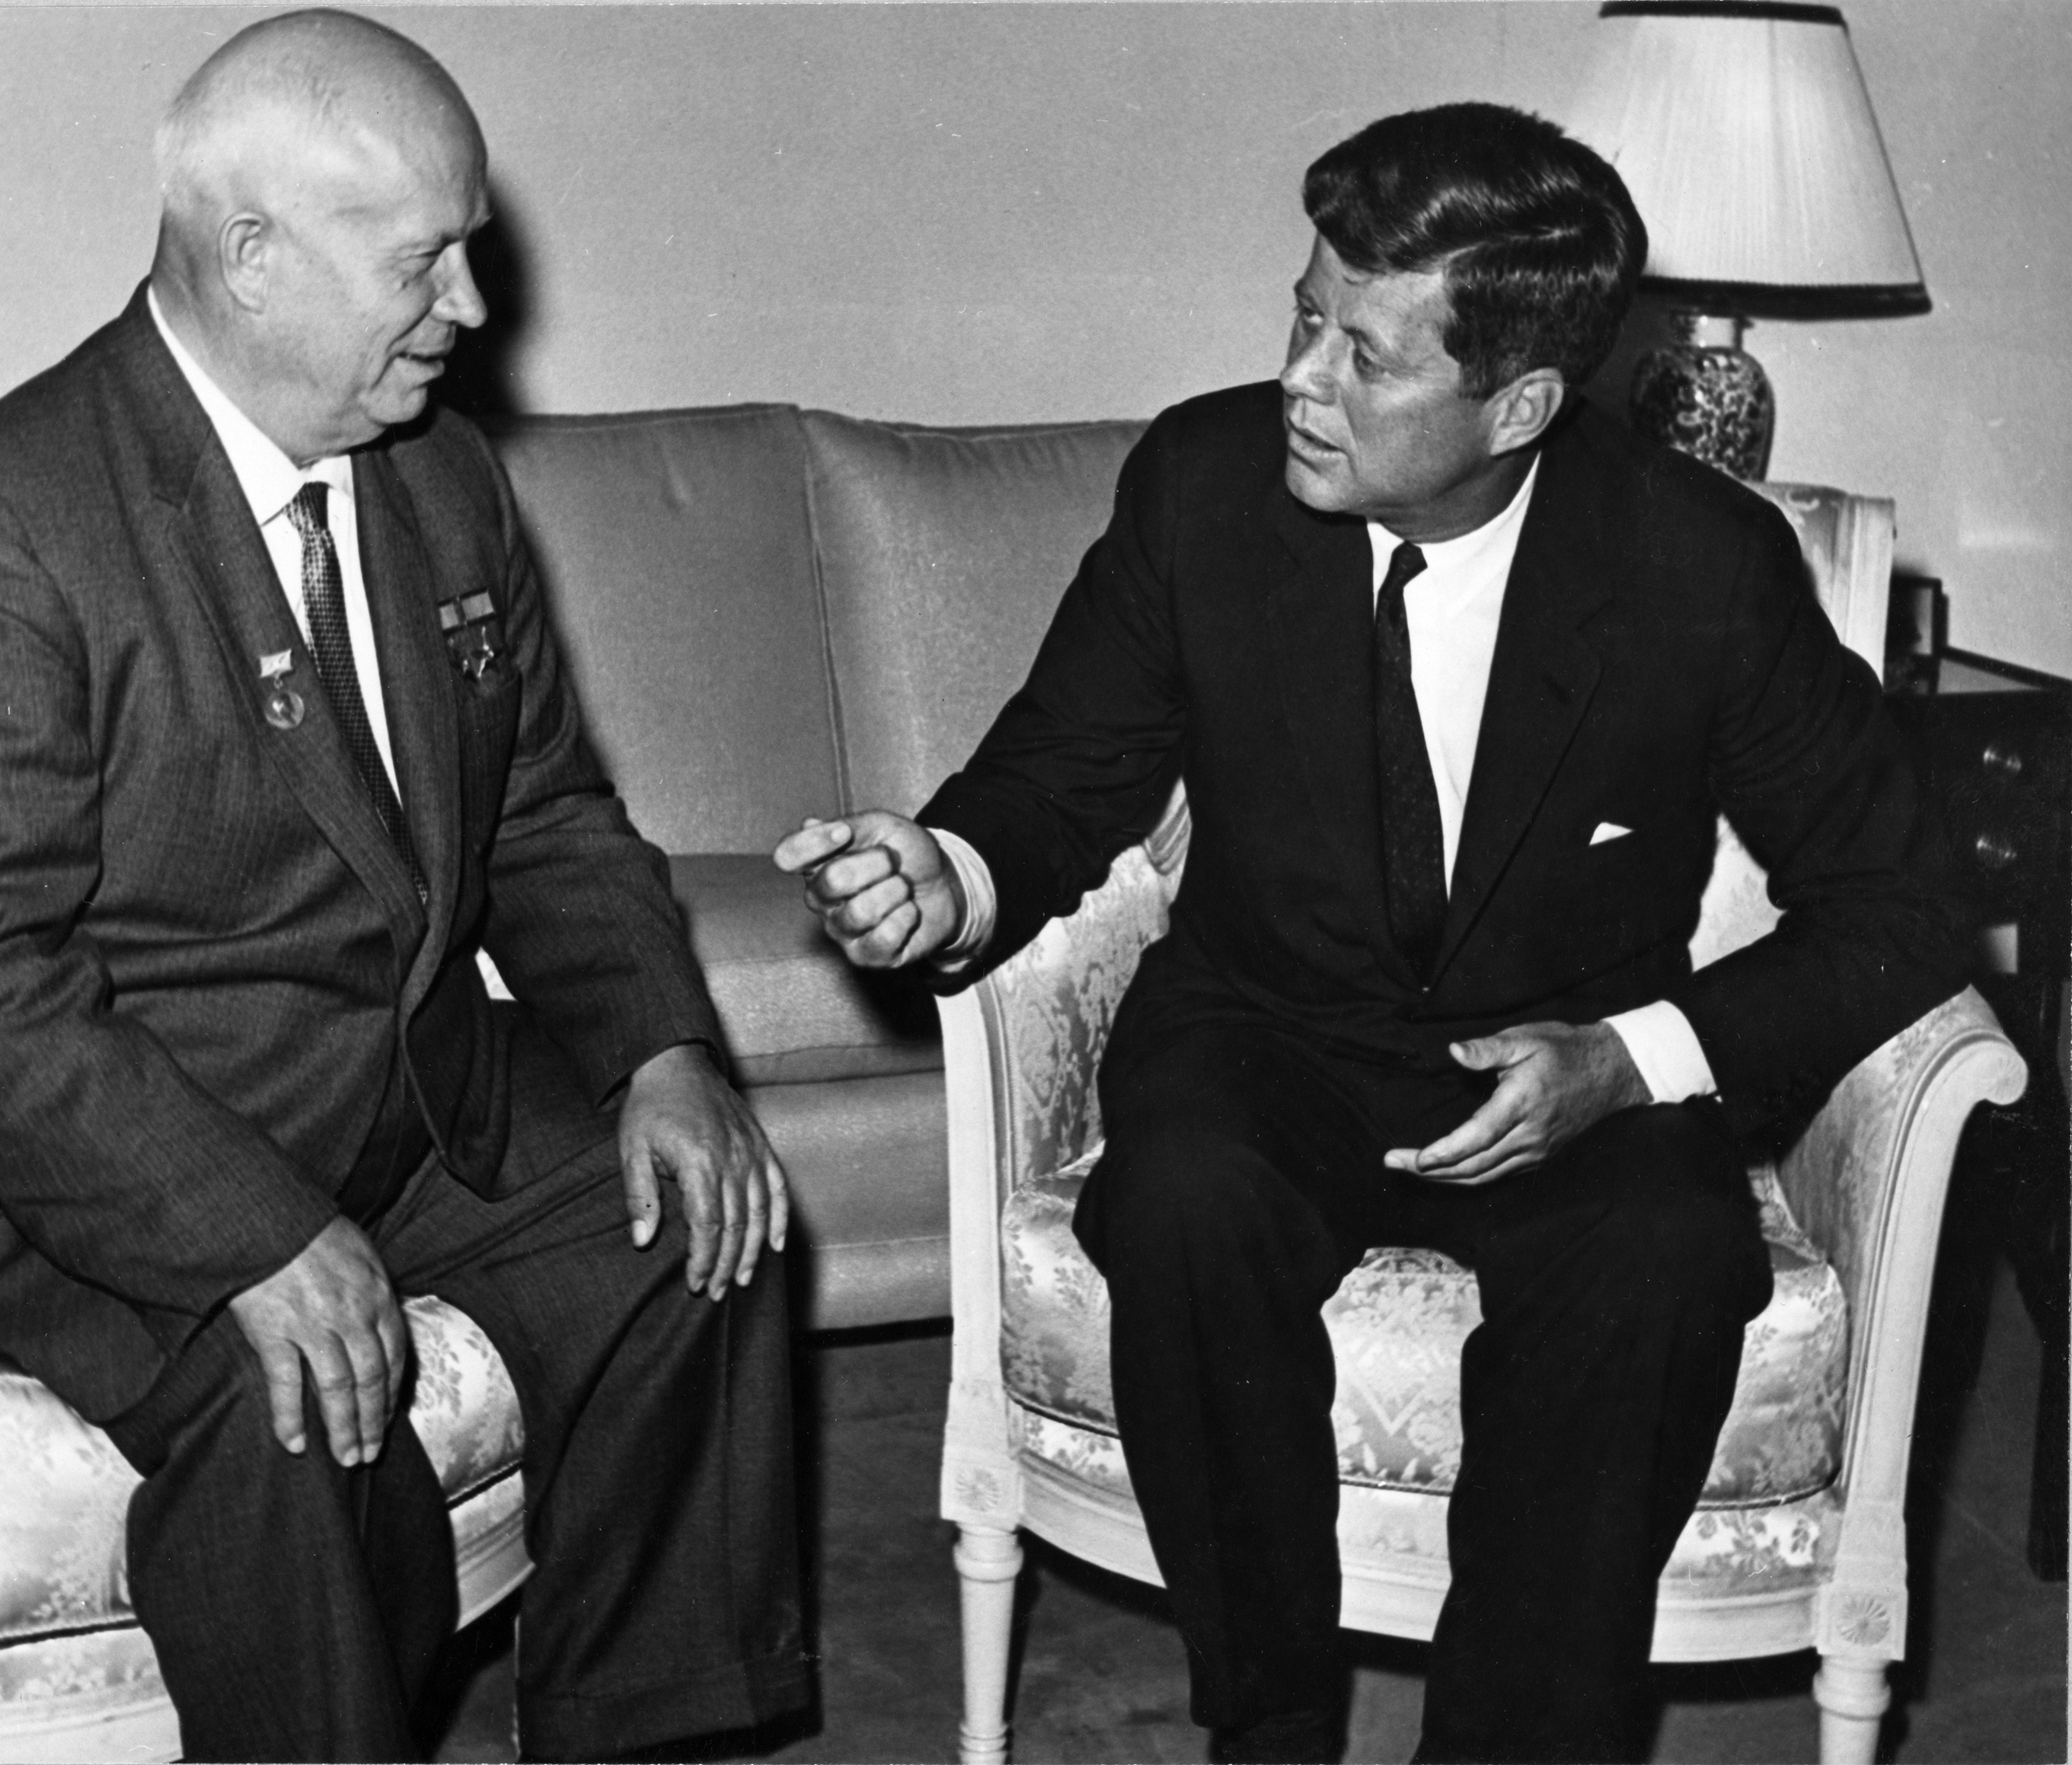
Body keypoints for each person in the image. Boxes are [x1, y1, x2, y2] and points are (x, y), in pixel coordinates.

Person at [777, 103, 1967, 1763]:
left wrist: (1631, 1066)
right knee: (1180, 1197)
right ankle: (1267, 1726)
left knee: (1664, 1265)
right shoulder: (1204, 491)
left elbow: (1901, 904)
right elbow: (1057, 777)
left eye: (1366, 354)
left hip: (1570, 1063)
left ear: (1521, 403)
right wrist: (948, 876)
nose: (1300, 378)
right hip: (1267, 1032)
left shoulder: (1697, 566)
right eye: (1303, 314)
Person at [0, 13, 810, 1760]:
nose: (475, 309)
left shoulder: (439, 481)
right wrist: (247, 1234)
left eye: (472, 248)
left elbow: (549, 813)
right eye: (425, 258)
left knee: (700, 1237)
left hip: (370, 1091)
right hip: (58, 1150)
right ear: (251, 257)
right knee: (290, 1414)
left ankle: (640, 1731)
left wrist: (663, 1055)